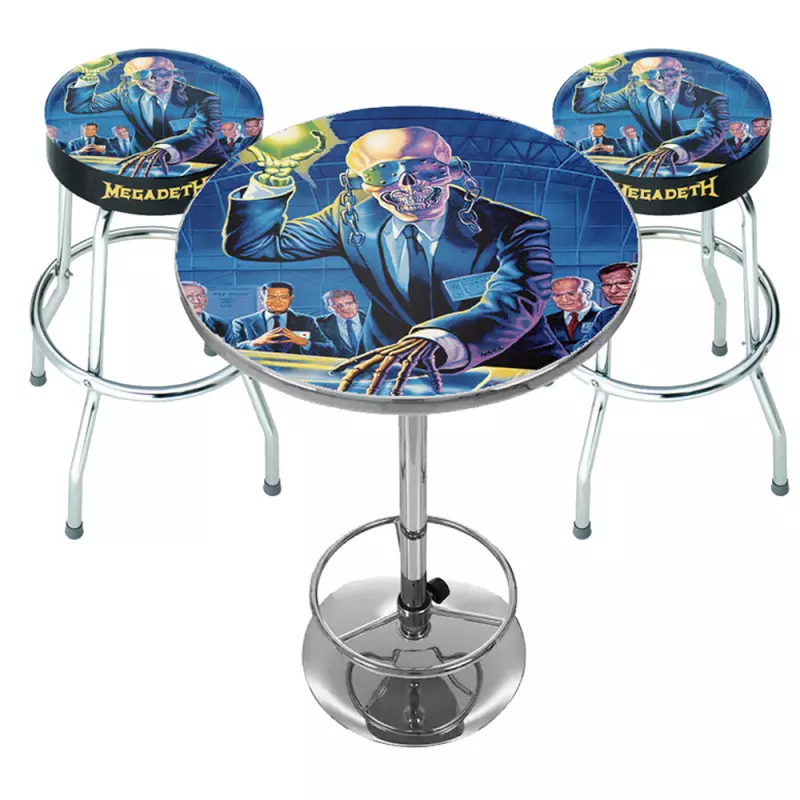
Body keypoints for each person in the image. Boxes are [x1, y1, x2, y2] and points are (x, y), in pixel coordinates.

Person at [221, 126, 567, 395]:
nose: (408, 184)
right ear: (361, 183)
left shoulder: (516, 227)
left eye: (426, 168)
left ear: (453, 171)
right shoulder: (350, 219)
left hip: (504, 363)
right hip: (384, 367)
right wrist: (272, 180)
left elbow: (517, 299)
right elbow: (255, 245)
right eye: (382, 173)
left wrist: (439, 339)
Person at [64, 54, 227, 176]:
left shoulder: (204, 99)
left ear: (174, 73)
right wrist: (89, 77)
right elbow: (80, 107)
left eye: (161, 72)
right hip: (142, 166)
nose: (154, 79)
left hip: (201, 167)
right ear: (131, 79)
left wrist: (165, 149)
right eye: (142, 74)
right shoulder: (126, 93)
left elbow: (204, 132)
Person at [573, 55, 735, 175]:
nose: (662, 79)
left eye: (669, 73)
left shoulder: (712, 99)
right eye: (650, 75)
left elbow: (711, 132)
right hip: (650, 166)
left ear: (683, 73)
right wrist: (597, 77)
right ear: (638, 79)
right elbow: (588, 107)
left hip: (708, 165)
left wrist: (673, 149)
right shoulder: (633, 93)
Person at [230, 281, 336, 355]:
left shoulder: (307, 321)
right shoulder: (242, 323)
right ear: (261, 299)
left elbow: (329, 349)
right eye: (271, 297)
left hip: (296, 373)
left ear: (291, 299)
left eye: (283, 297)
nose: (278, 301)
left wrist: (305, 343)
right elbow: (229, 350)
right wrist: (254, 343)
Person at [576, 262, 637, 346]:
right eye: (607, 285)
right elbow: (583, 346)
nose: (613, 290)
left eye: (623, 283)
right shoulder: (606, 315)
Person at [545, 277, 602, 353]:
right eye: (558, 295)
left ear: (587, 293)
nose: (564, 300)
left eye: (571, 294)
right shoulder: (548, 321)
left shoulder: (605, 316)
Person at [316, 290, 367, 358]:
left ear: (356, 303)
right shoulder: (318, 325)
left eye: (349, 303)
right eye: (338, 305)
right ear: (329, 308)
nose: (345, 308)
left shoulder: (374, 321)